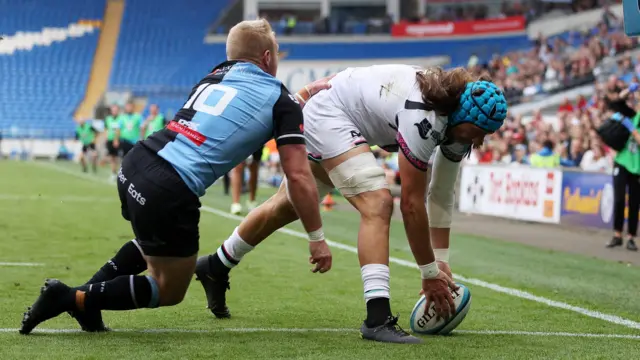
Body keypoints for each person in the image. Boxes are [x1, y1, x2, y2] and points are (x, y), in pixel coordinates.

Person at [19, 19, 334, 335]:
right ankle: (69, 297)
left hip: (136, 163)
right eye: (277, 53)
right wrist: (317, 238)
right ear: (267, 57)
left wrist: (301, 95)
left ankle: (85, 303)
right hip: (168, 185)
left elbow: (250, 103)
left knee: (152, 244)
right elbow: (297, 175)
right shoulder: (280, 100)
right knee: (170, 288)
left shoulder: (214, 76)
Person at [194, 65, 508, 344]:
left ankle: (216, 265)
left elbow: (440, 194)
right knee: (378, 202)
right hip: (332, 112)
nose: (478, 142)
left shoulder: (455, 121)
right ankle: (377, 317)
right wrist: (428, 273)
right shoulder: (424, 116)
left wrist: (440, 261)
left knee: (287, 206)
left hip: (339, 112)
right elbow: (412, 205)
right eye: (477, 133)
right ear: (463, 116)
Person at [606, 112, 640, 251]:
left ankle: (631, 237)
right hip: (621, 162)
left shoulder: (632, 121)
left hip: (637, 166)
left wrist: (632, 129)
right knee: (619, 199)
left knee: (634, 202)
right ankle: (617, 234)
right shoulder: (631, 114)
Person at [230, 147, 262, 214]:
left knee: (254, 168)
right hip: (240, 138)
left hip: (258, 139)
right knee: (238, 166)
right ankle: (235, 203)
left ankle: (252, 201)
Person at [104, 105, 121, 182]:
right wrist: (106, 138)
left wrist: (116, 139)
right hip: (110, 140)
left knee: (119, 157)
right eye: (113, 110)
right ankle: (113, 173)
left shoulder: (121, 118)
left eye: (115, 110)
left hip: (118, 140)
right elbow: (106, 129)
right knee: (112, 157)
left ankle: (120, 173)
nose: (114, 111)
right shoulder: (108, 119)